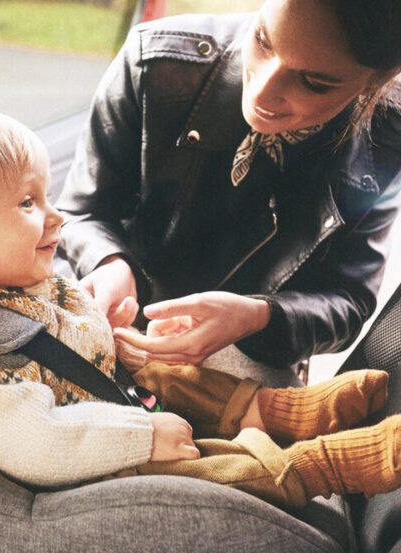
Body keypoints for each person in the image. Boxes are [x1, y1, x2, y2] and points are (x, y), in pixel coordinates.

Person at [0, 107, 401, 510]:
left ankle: (283, 413)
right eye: (27, 203)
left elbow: (61, 343)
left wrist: (105, 335)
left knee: (167, 371)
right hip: (100, 470)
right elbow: (33, 443)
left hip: (106, 394)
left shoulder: (7, 284)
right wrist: (143, 437)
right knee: (209, 472)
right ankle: (317, 466)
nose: (55, 217)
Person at [57, 0, 401, 370]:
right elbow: (80, 211)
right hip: (109, 320)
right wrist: (109, 262)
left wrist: (259, 317)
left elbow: (348, 300)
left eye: (313, 83)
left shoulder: (388, 137)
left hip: (248, 356)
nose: (262, 93)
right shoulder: (153, 62)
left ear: (378, 80)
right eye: (262, 41)